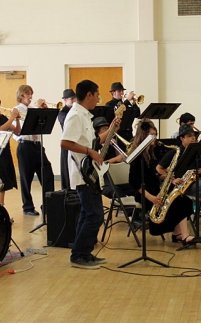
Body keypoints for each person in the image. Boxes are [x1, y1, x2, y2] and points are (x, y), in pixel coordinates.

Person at [61, 79, 119, 269]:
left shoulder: (85, 115)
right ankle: (79, 255)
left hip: (91, 173)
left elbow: (92, 142)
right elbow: (65, 142)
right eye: (97, 94)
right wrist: (90, 152)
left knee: (88, 214)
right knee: (95, 215)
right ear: (89, 95)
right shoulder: (75, 115)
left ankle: (83, 253)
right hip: (82, 173)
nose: (98, 99)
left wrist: (110, 131)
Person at [128, 119, 201, 246]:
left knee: (182, 199)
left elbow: (152, 176)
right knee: (178, 202)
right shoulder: (138, 156)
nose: (155, 138)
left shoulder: (150, 153)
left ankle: (178, 234)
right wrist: (151, 198)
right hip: (145, 193)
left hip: (155, 188)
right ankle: (184, 236)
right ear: (144, 136)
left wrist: (166, 177)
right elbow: (134, 182)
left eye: (155, 135)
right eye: (152, 135)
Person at [13, 85, 55, 216]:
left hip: (37, 146)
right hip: (25, 146)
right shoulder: (16, 110)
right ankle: (28, 207)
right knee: (26, 178)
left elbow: (41, 126)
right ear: (21, 95)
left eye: (31, 94)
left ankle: (48, 205)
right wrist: (37, 109)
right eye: (27, 94)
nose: (30, 97)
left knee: (47, 174)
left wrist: (45, 112)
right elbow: (23, 128)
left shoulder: (32, 109)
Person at [58, 89, 76, 190]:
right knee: (66, 170)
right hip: (66, 144)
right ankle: (67, 192)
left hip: (75, 143)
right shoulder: (62, 112)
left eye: (75, 98)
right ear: (65, 100)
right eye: (71, 99)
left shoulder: (75, 110)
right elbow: (67, 123)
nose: (74, 100)